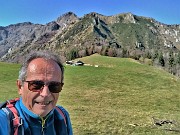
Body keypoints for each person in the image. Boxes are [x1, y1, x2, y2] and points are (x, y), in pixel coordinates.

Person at [0, 51, 73, 135]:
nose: (45, 94)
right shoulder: (4, 121)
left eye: (54, 86)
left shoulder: (62, 116)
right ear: (20, 87)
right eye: (36, 85)